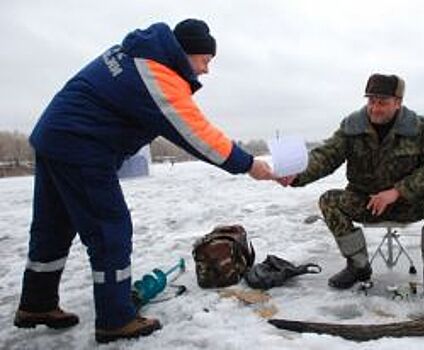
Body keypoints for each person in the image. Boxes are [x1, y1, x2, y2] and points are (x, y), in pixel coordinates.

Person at [14, 19, 275, 343]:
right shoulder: (156, 74)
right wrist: (248, 164)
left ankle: (37, 304)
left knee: (53, 226)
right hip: (82, 146)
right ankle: (116, 318)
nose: (206, 70)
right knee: (110, 230)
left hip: (55, 138)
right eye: (206, 60)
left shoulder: (136, 55)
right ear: (188, 52)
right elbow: (197, 134)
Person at [278, 73, 424, 295]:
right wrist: (296, 174)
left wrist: (397, 191)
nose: (375, 108)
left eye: (382, 102)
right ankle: (358, 266)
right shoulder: (351, 127)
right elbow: (325, 156)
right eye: (371, 101)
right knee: (329, 200)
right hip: (366, 202)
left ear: (398, 103)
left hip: (407, 203)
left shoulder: (419, 127)